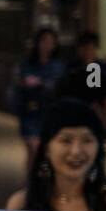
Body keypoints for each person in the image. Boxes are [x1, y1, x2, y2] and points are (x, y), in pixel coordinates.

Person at [5, 97, 106, 211]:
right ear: (47, 148)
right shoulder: (22, 204)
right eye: (66, 140)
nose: (76, 151)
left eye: (87, 140)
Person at [56, 31, 106, 138]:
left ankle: (102, 136)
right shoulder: (70, 69)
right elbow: (63, 93)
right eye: (85, 48)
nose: (88, 52)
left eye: (92, 48)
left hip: (103, 110)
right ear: (79, 49)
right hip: (77, 108)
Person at [7, 27, 64, 168]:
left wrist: (42, 83)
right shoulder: (27, 64)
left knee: (44, 150)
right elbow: (17, 83)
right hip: (30, 110)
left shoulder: (57, 66)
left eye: (51, 42)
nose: (47, 45)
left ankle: (38, 183)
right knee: (33, 148)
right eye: (44, 41)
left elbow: (59, 86)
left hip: (48, 111)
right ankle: (31, 183)